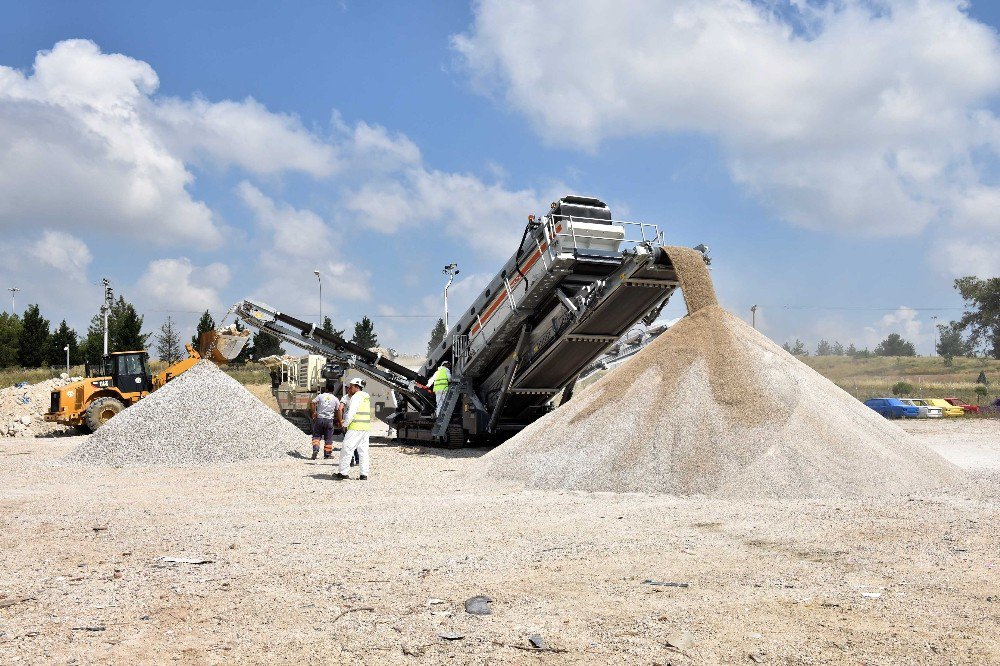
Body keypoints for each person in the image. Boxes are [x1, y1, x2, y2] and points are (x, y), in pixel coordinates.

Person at [336, 378, 371, 480]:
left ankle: (343, 473)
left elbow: (351, 412)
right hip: (365, 428)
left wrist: (345, 424)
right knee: (363, 452)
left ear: (356, 387)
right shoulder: (366, 396)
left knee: (346, 449)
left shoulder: (356, 397)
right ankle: (364, 474)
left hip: (355, 427)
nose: (349, 389)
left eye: (350, 387)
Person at [310, 384, 340, 460]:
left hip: (319, 419)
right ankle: (327, 454)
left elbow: (312, 402)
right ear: (333, 390)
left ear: (326, 389)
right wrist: (338, 419)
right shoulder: (335, 399)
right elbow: (338, 410)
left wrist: (314, 412)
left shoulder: (320, 396)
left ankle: (315, 450)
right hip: (329, 420)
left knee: (316, 436)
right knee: (328, 438)